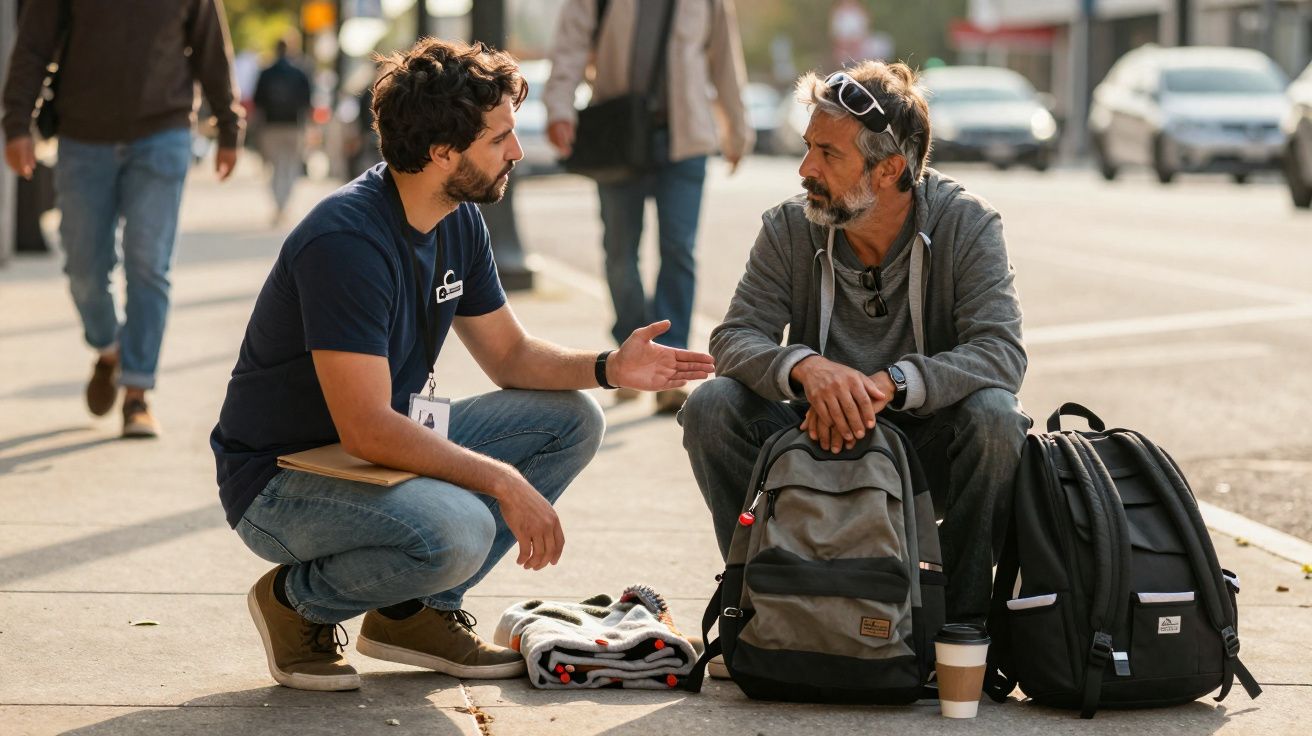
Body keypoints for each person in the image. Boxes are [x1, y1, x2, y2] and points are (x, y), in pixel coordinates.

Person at [210, 39, 714, 692]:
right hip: (279, 481)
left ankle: (415, 615)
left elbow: (510, 355)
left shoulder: (458, 219)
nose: (518, 151)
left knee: (572, 419)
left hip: (364, 455)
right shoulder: (346, 243)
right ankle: (295, 602)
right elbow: (365, 428)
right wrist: (503, 483)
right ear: (443, 152)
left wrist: (610, 367)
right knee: (463, 530)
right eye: (500, 137)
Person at [680, 60, 1030, 633]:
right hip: (812, 437)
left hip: (924, 447)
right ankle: (760, 601)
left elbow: (1001, 352)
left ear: (890, 168)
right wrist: (808, 370)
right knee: (712, 406)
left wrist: (890, 384)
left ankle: (961, 625)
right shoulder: (789, 228)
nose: (805, 168)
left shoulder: (966, 224)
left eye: (828, 154)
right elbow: (734, 336)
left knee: (996, 417)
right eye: (808, 147)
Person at [2, 0, 243, 438]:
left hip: (163, 133)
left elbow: (210, 47)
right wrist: (16, 122)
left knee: (149, 264)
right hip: (82, 137)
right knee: (84, 267)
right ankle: (108, 348)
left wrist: (228, 124)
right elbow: (34, 44)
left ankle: (137, 391)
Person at [544, 0, 752, 414]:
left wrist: (737, 128)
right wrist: (559, 108)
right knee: (620, 253)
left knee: (679, 249)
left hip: (687, 140)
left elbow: (725, 60)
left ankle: (670, 369)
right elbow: (569, 45)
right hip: (620, 135)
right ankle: (630, 351)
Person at [252, 38, 313, 225]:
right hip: (293, 126)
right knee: (290, 166)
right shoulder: (300, 73)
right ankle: (283, 203)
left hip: (270, 126)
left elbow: (257, 101)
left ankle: (278, 203)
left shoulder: (265, 73)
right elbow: (307, 103)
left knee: (274, 167)